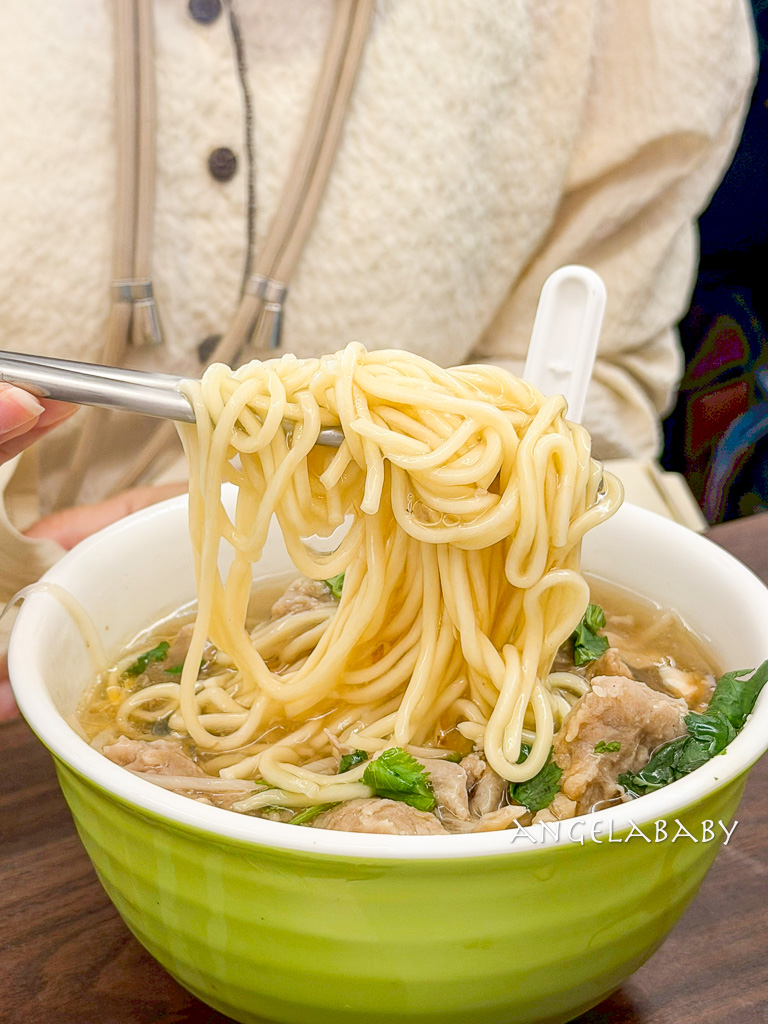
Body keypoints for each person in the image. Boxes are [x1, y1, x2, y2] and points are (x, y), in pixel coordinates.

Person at [0, 1, 757, 598]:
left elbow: (591, 385)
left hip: (417, 571)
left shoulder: (640, 20)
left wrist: (319, 521)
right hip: (29, 615)